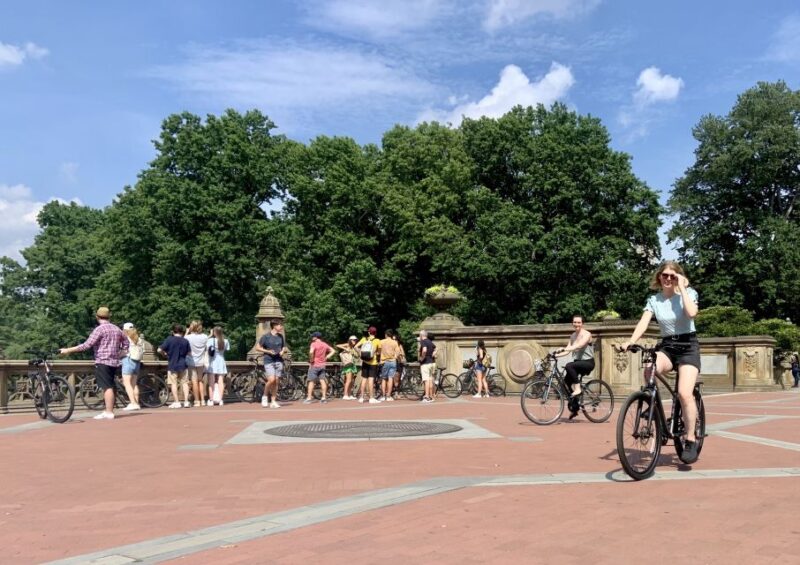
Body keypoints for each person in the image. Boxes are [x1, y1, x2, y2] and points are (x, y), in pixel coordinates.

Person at [619, 261, 701, 464]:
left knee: (684, 393)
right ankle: (652, 403)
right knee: (650, 369)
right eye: (665, 275)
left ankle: (690, 438)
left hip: (688, 346)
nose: (668, 279)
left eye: (673, 276)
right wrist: (631, 341)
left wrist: (682, 288)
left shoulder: (688, 293)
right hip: (667, 346)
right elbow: (644, 322)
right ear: (659, 277)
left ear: (679, 278)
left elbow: (691, 313)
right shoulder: (654, 300)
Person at [59, 306, 127, 420]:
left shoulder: (100, 329)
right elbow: (126, 343)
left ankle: (109, 412)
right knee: (111, 385)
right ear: (109, 316)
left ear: (97, 317)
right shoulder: (117, 329)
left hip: (103, 361)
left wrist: (68, 350)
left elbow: (86, 345)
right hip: (114, 362)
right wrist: (120, 353)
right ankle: (108, 410)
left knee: (107, 387)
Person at [555, 315, 595, 420]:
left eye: (579, 322)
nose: (576, 324)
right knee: (566, 382)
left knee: (569, 366)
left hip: (588, 363)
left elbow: (580, 345)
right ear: (572, 323)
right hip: (578, 363)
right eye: (575, 322)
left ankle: (578, 388)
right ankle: (575, 407)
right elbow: (568, 349)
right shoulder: (572, 336)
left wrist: (565, 349)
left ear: (582, 324)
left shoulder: (587, 334)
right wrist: (556, 355)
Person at [255, 320, 288, 408]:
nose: (281, 327)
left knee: (276, 382)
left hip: (278, 360)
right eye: (280, 325)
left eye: (281, 325)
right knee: (271, 380)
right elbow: (257, 348)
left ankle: (273, 401)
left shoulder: (280, 336)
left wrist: (282, 351)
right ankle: (265, 396)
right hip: (269, 360)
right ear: (274, 326)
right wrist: (268, 351)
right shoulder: (266, 337)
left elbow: (284, 347)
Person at [158, 324, 191, 409]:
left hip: (172, 364)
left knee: (173, 383)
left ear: (173, 331)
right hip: (183, 364)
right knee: (185, 383)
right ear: (182, 332)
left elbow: (159, 349)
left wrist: (164, 354)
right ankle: (186, 401)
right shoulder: (185, 341)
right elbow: (189, 353)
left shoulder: (169, 340)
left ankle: (177, 402)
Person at [305, 331, 335, 404]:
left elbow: (311, 352)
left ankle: (309, 398)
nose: (312, 337)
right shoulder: (324, 344)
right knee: (322, 381)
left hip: (314, 365)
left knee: (311, 381)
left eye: (313, 336)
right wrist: (327, 357)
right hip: (322, 365)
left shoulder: (313, 344)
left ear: (315, 337)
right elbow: (333, 351)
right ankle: (324, 398)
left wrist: (311, 360)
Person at [121, 322, 145, 411]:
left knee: (127, 383)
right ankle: (136, 403)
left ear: (125, 330)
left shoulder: (125, 338)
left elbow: (124, 351)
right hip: (137, 362)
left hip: (128, 360)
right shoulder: (139, 339)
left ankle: (133, 403)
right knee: (134, 384)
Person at [185, 321, 209, 407]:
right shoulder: (205, 337)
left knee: (194, 381)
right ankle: (203, 400)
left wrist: (187, 332)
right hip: (201, 361)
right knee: (200, 380)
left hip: (191, 361)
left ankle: (197, 401)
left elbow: (183, 342)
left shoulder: (188, 337)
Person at [356, 326, 382, 404]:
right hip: (373, 362)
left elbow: (355, 346)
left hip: (364, 362)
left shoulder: (364, 339)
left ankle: (361, 397)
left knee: (364, 379)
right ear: (375, 333)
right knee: (371, 380)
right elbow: (379, 352)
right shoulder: (377, 340)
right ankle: (371, 398)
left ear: (368, 332)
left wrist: (360, 354)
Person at [206, 326, 229, 406]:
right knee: (221, 382)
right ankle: (220, 400)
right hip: (221, 361)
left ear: (214, 332)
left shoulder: (210, 340)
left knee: (211, 382)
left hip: (212, 362)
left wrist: (210, 335)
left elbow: (205, 346)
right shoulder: (225, 341)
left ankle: (211, 400)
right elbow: (227, 349)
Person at [335, 336, 359, 400]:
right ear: (350, 340)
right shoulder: (347, 345)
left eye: (356, 340)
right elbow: (337, 345)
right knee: (348, 380)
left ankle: (349, 394)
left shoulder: (354, 348)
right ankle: (345, 395)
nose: (355, 341)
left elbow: (357, 356)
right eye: (353, 340)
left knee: (351, 381)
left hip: (352, 365)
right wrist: (345, 348)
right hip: (348, 365)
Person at [379, 329, 400, 401]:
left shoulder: (381, 342)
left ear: (386, 335)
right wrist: (395, 357)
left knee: (384, 378)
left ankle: (383, 395)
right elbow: (398, 352)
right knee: (390, 378)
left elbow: (378, 351)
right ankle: (388, 396)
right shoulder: (395, 342)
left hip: (384, 361)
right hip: (393, 361)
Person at [418, 330, 436, 403]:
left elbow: (424, 350)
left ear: (422, 335)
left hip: (426, 363)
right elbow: (435, 349)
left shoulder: (423, 341)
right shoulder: (430, 342)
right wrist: (433, 354)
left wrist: (422, 358)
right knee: (431, 379)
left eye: (420, 335)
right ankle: (431, 396)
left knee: (426, 380)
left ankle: (427, 396)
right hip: (431, 362)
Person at [392, 333, 406, 398]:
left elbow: (403, 354)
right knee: (394, 378)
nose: (394, 341)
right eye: (393, 339)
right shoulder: (391, 346)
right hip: (393, 362)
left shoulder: (399, 345)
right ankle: (394, 392)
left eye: (395, 339)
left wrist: (400, 354)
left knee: (398, 378)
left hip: (399, 363)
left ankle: (396, 392)